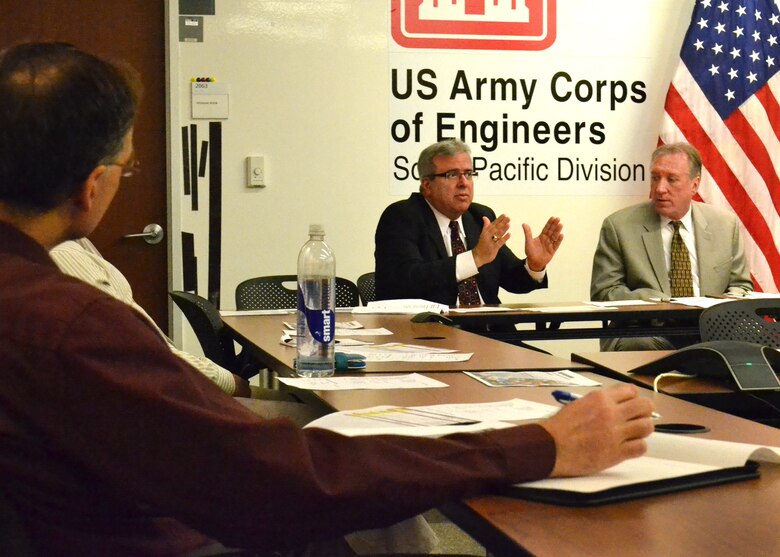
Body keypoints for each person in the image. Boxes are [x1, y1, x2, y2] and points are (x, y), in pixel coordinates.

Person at [0, 42, 653, 557]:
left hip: (131, 508)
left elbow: (511, 277)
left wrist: (530, 265)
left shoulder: (36, 302)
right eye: (127, 169)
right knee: (352, 461)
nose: (463, 183)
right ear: (90, 186)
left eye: (467, 172)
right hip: (166, 530)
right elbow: (285, 478)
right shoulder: (68, 325)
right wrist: (540, 442)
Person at [590, 142, 753, 351]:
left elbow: (741, 287)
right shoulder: (619, 226)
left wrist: (720, 306)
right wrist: (663, 302)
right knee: (641, 345)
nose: (660, 188)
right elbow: (604, 292)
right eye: (655, 177)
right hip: (646, 331)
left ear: (695, 185)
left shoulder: (724, 225)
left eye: (672, 179)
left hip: (709, 331)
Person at [51, 238, 253, 397]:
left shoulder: (75, 243)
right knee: (284, 411)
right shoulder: (63, 254)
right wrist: (227, 381)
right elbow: (140, 350)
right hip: (157, 396)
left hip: (162, 383)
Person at [374, 138, 564, 306]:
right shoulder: (402, 217)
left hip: (492, 335)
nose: (464, 182)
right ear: (427, 185)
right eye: (452, 175)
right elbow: (409, 279)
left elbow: (513, 281)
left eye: (468, 173)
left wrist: (534, 265)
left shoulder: (479, 217)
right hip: (434, 336)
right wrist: (474, 258)